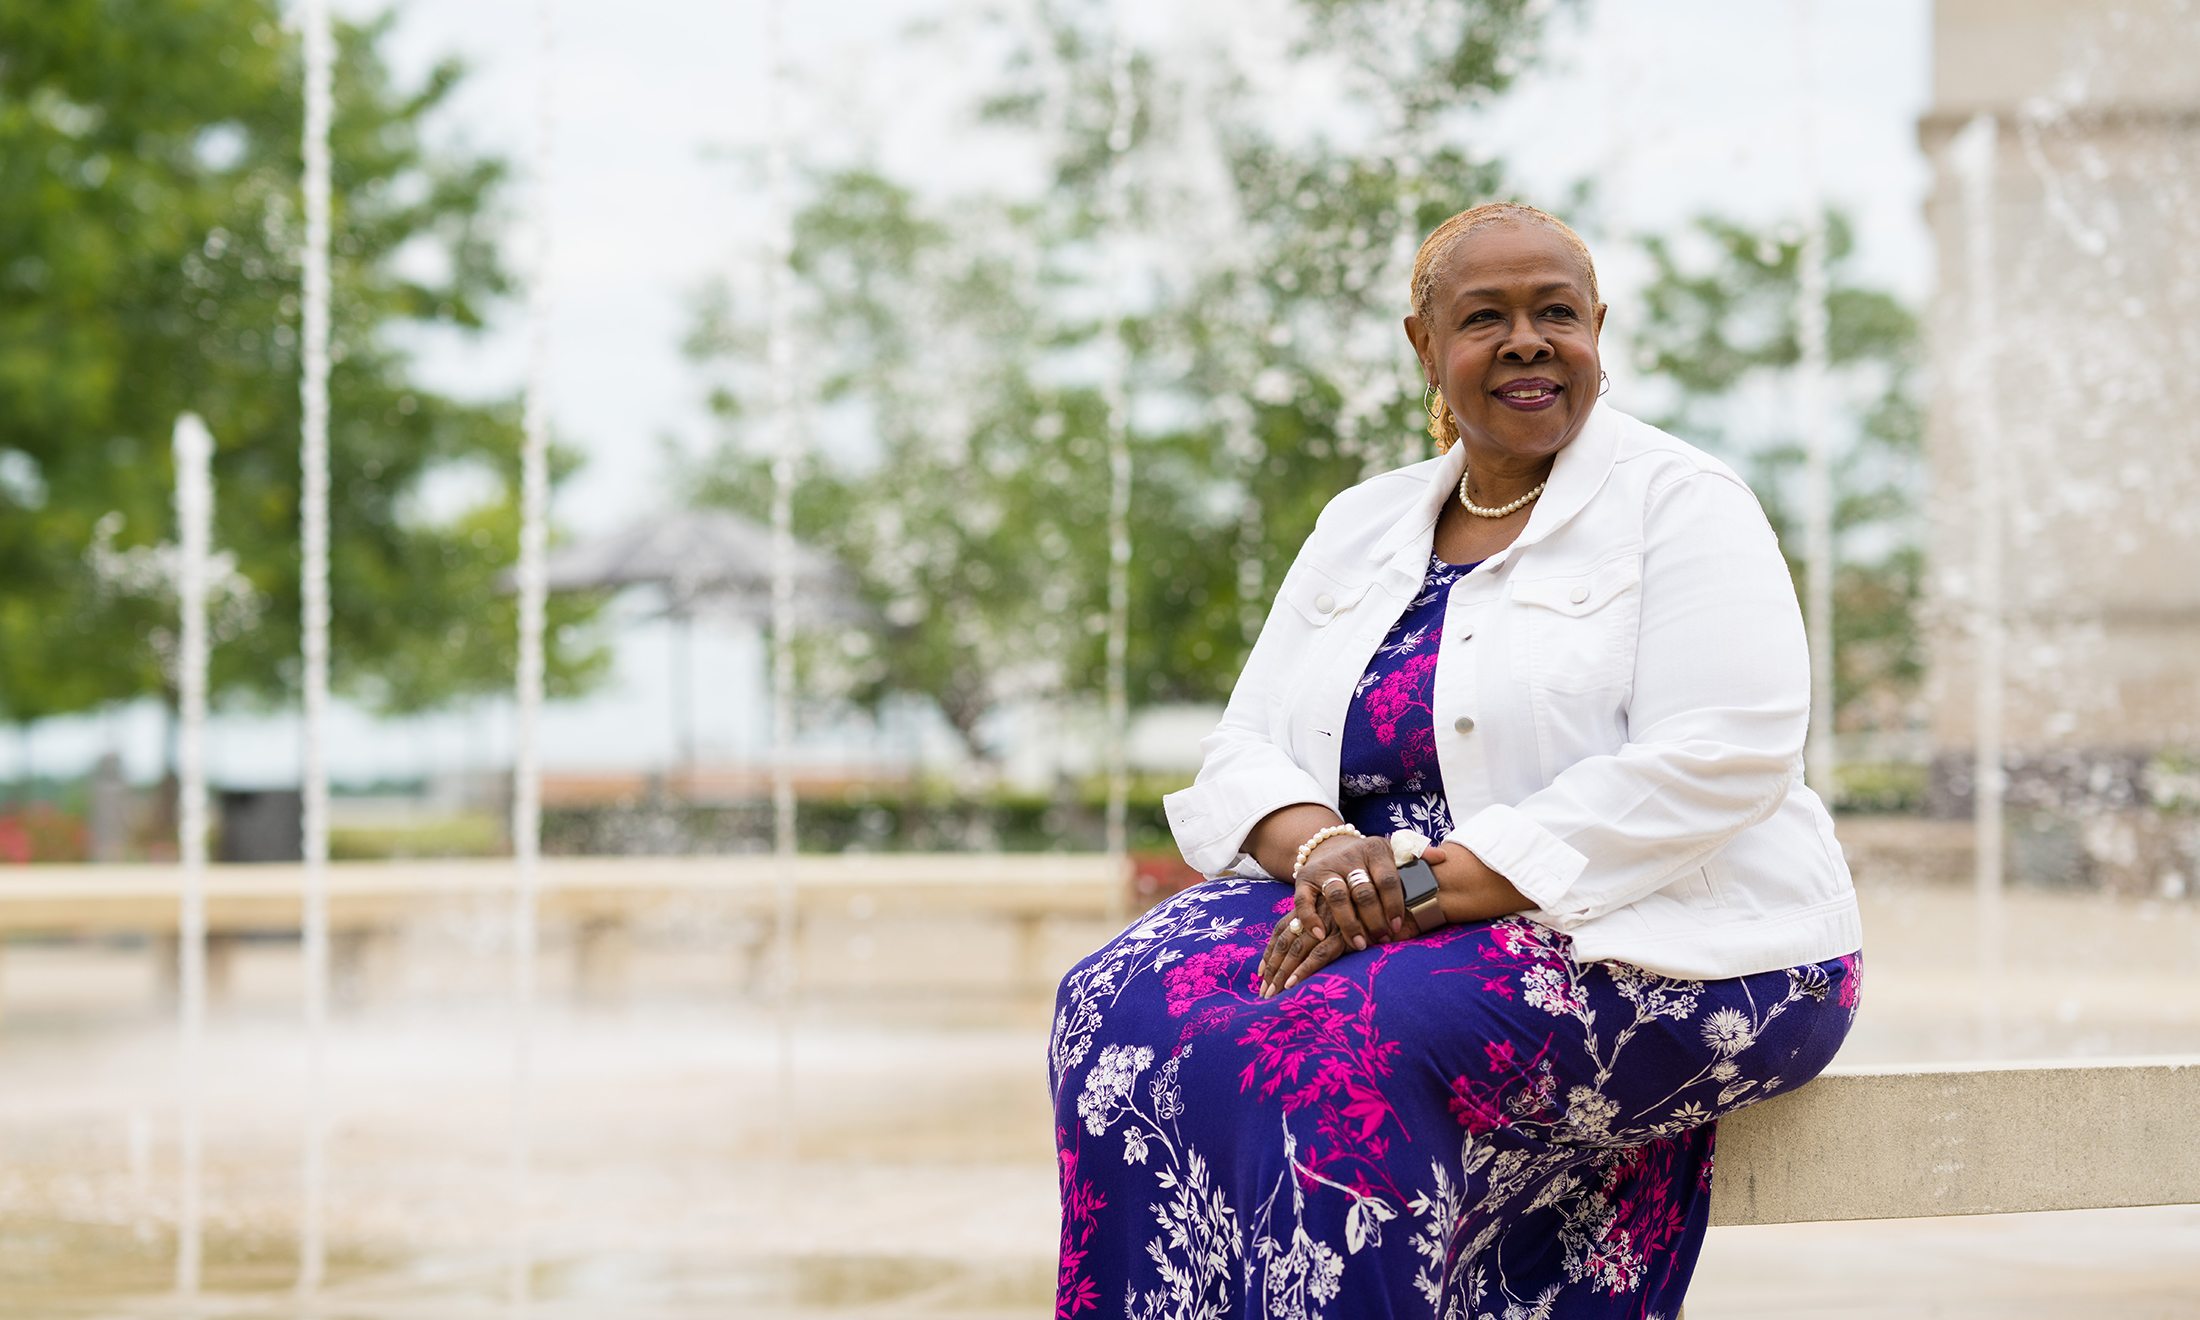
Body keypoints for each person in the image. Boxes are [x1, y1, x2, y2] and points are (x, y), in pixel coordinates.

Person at [1050, 201, 1862, 1320]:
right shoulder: (1360, 523)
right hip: (1387, 906)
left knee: (1332, 1047)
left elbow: (1719, 759)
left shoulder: (1681, 505)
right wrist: (1328, 851)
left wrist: (1419, 890)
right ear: (1424, 348)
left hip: (1678, 939)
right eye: (1485, 317)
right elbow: (1241, 744)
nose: (1527, 341)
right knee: (1111, 998)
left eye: (1556, 315)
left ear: (1598, 332)